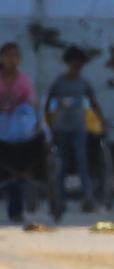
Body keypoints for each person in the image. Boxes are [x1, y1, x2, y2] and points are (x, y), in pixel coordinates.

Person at [45, 46, 102, 213]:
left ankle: (88, 198)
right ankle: (60, 198)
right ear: (68, 63)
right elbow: (48, 101)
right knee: (62, 163)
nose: (76, 65)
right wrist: (49, 120)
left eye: (79, 63)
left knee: (82, 162)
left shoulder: (83, 83)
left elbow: (93, 102)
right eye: (73, 62)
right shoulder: (60, 82)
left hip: (79, 127)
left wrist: (101, 121)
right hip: (62, 127)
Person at [0, 42, 39, 223]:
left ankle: (16, 210)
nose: (12, 59)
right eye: (8, 55)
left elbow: (30, 103)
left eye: (15, 55)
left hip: (19, 136)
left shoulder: (24, 81)